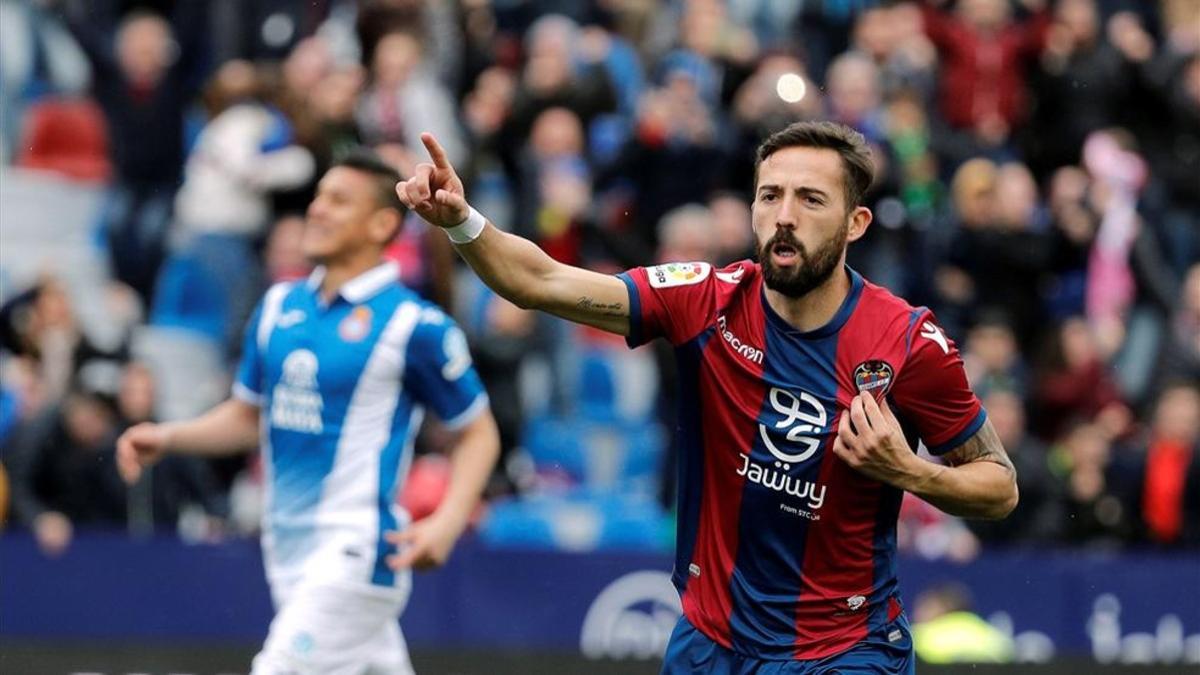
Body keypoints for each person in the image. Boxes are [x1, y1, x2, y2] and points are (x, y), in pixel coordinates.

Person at [398, 121, 1018, 673]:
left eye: (810, 199)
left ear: (856, 223)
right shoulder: (704, 298)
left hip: (845, 652)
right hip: (710, 644)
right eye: (770, 196)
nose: (785, 216)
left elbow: (999, 485)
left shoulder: (909, 342)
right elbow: (540, 280)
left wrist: (907, 470)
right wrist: (462, 221)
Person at [117, 151, 500, 674]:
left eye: (339, 200)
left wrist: (448, 522)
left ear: (382, 223)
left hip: (357, 552)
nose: (317, 210)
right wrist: (169, 437)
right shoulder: (279, 305)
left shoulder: (415, 325)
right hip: (289, 552)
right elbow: (249, 415)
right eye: (318, 196)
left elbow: (477, 432)